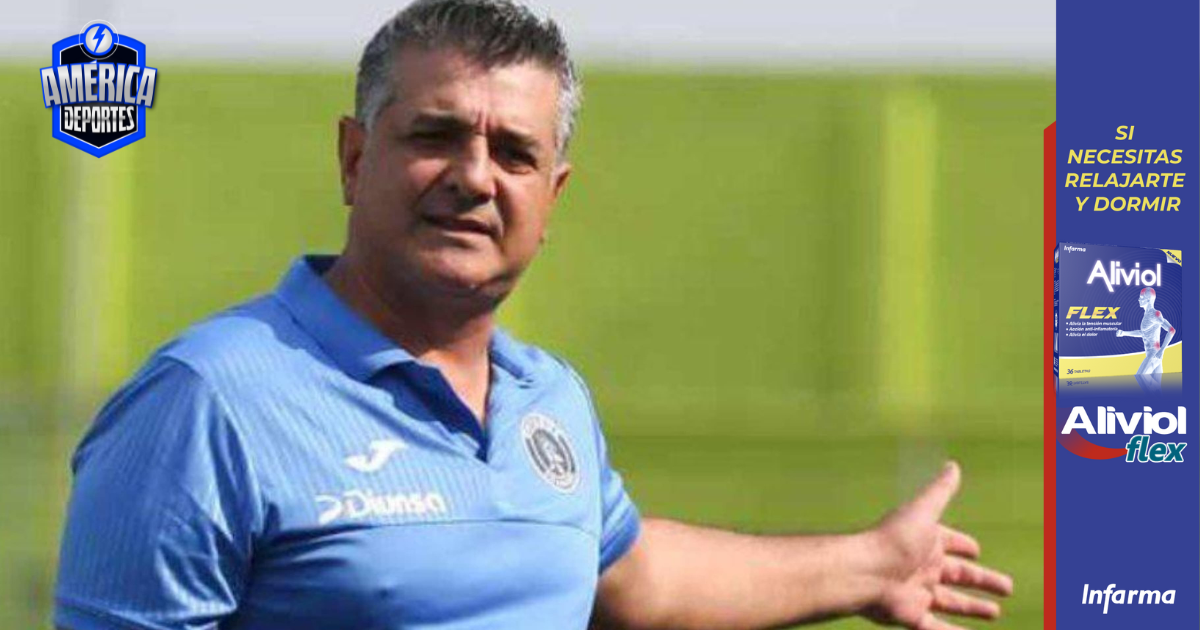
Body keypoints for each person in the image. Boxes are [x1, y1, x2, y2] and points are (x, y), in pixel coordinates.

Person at [53, 1, 1013, 629]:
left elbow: (633, 581)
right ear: (353, 159)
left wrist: (869, 564)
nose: (474, 177)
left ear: (550, 199)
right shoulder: (211, 401)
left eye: (514, 154)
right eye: (435, 135)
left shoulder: (547, 400)